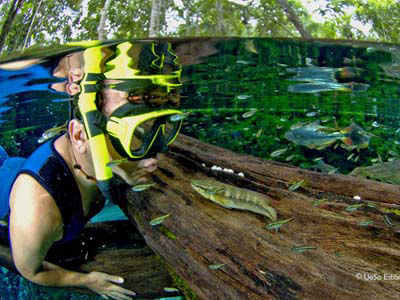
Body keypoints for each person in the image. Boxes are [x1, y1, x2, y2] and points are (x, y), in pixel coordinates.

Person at [0, 41, 184, 300]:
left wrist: (124, 172)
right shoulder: (38, 211)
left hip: (12, 166)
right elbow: (30, 270)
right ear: (78, 135)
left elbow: (101, 159)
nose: (152, 156)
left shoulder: (88, 155)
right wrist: (87, 281)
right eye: (133, 137)